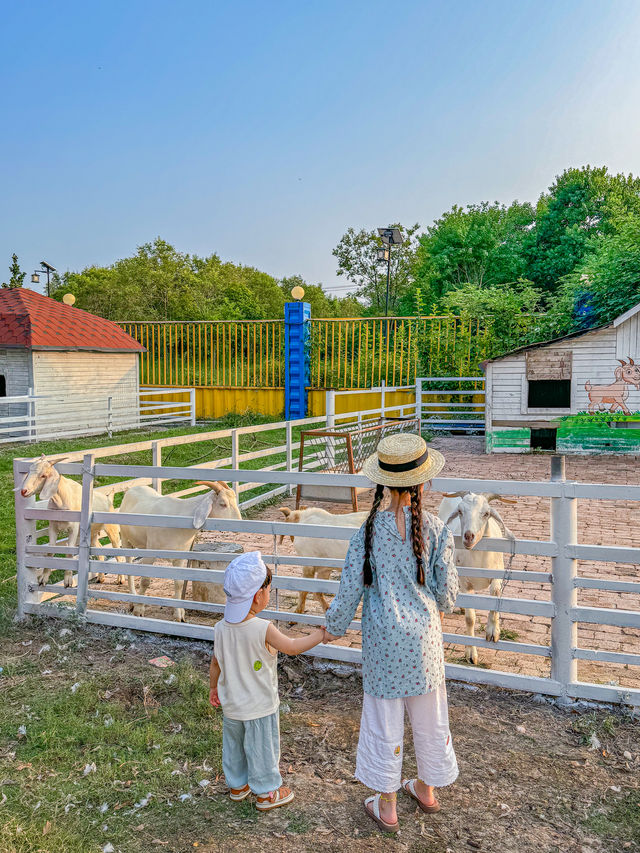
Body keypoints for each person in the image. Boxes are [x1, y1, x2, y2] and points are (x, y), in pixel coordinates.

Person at [324, 433, 459, 833]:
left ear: (382, 483)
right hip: (424, 647)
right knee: (431, 718)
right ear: (424, 483)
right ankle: (427, 790)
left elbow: (349, 591)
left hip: (383, 646)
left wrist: (331, 627)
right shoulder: (435, 530)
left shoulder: (365, 533)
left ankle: (387, 806)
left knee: (384, 722)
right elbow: (447, 598)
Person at [210, 550, 326, 810]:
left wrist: (212, 688)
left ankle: (238, 785)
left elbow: (216, 662)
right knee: (262, 750)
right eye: (269, 590)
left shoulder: (220, 628)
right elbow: (293, 646)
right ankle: (266, 793)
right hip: (260, 707)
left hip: (232, 708)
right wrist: (321, 635)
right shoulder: (263, 628)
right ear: (258, 595)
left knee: (235, 748)